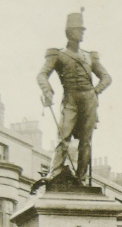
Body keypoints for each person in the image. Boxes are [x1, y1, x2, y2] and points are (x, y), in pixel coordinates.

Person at [36, 10, 112, 188]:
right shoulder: (57, 54)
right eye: (79, 30)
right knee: (64, 136)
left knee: (85, 142)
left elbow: (106, 77)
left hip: (89, 100)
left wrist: (95, 91)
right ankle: (54, 172)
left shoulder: (90, 56)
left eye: (83, 30)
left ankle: (81, 178)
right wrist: (47, 91)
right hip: (70, 98)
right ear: (70, 32)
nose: (83, 33)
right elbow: (42, 75)